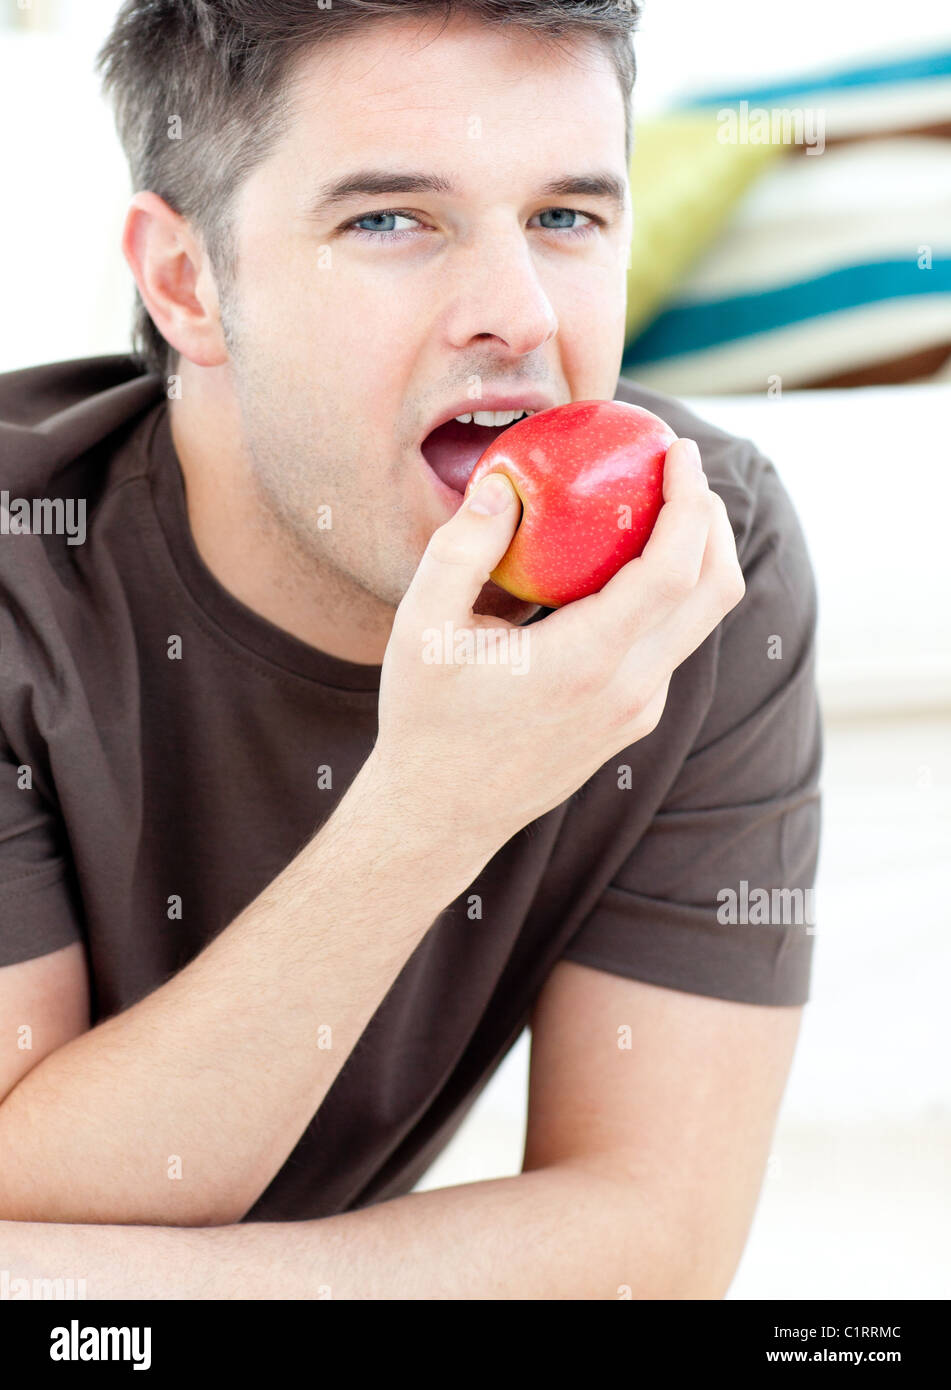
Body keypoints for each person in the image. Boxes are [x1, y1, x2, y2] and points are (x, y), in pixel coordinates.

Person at [0, 0, 821, 1299]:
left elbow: (651, 1239)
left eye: (566, 217)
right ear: (185, 279)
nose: (518, 314)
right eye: (391, 219)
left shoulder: (697, 555)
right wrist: (431, 810)